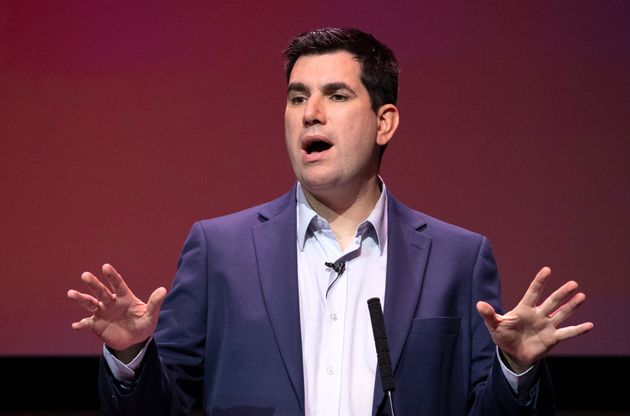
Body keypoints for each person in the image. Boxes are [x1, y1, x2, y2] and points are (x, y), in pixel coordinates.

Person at [67, 27, 593, 416]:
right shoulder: (219, 251)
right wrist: (132, 354)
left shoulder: (458, 258)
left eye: (336, 96)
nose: (310, 113)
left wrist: (517, 370)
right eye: (297, 98)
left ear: (384, 122)